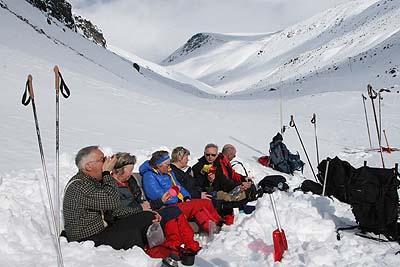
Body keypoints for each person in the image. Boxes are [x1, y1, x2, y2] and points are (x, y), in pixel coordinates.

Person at [63, 146, 159, 250]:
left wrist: (143, 211)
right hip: (86, 238)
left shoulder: (92, 181)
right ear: (89, 166)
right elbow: (112, 202)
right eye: (102, 160)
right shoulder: (79, 186)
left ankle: (155, 249)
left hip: (102, 229)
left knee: (147, 217)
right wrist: (106, 173)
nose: (106, 163)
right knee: (130, 233)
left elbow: (114, 211)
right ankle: (138, 259)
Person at [111, 152, 200, 258]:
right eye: (129, 170)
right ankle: (173, 247)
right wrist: (143, 208)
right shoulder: (112, 186)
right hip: (131, 218)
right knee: (172, 211)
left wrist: (159, 201)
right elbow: (118, 210)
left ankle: (189, 244)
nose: (131, 174)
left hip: (144, 211)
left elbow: (143, 201)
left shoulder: (130, 181)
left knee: (174, 211)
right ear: (119, 170)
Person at [140, 150, 222, 233]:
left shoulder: (168, 173)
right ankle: (215, 227)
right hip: (167, 206)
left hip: (178, 202)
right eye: (167, 165)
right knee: (198, 205)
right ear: (158, 165)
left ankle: (217, 224)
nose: (169, 167)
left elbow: (179, 187)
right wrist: (177, 197)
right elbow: (156, 195)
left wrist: (186, 196)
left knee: (206, 202)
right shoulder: (149, 176)